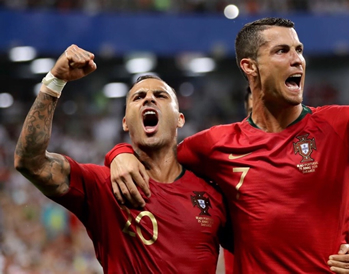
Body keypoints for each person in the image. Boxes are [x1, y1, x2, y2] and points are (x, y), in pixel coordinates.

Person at [106, 17, 349, 273]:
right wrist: (119, 154)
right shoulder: (213, 145)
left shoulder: (340, 126)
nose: (297, 60)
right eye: (282, 51)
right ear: (250, 67)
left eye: (299, 50)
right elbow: (160, 156)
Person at [13, 45, 233, 272]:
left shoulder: (212, 194)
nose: (149, 99)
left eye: (160, 95)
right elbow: (30, 163)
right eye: (138, 97)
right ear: (125, 122)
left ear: (180, 119)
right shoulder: (104, 186)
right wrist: (54, 82)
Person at [221, 88, 349, 274]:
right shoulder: (225, 185)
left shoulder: (329, 197)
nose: (265, 123)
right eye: (255, 115)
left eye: (273, 114)